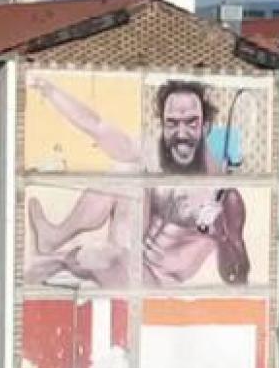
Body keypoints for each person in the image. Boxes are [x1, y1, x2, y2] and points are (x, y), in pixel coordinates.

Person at [24, 77, 250, 287]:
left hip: (157, 283)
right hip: (130, 255)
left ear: (205, 127)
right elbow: (98, 127)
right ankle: (55, 238)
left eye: (191, 123)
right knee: (125, 170)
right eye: (172, 124)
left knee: (103, 257)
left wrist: (220, 234)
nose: (181, 134)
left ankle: (62, 261)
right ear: (163, 125)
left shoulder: (225, 197)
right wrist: (50, 91)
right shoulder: (155, 156)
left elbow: (236, 277)